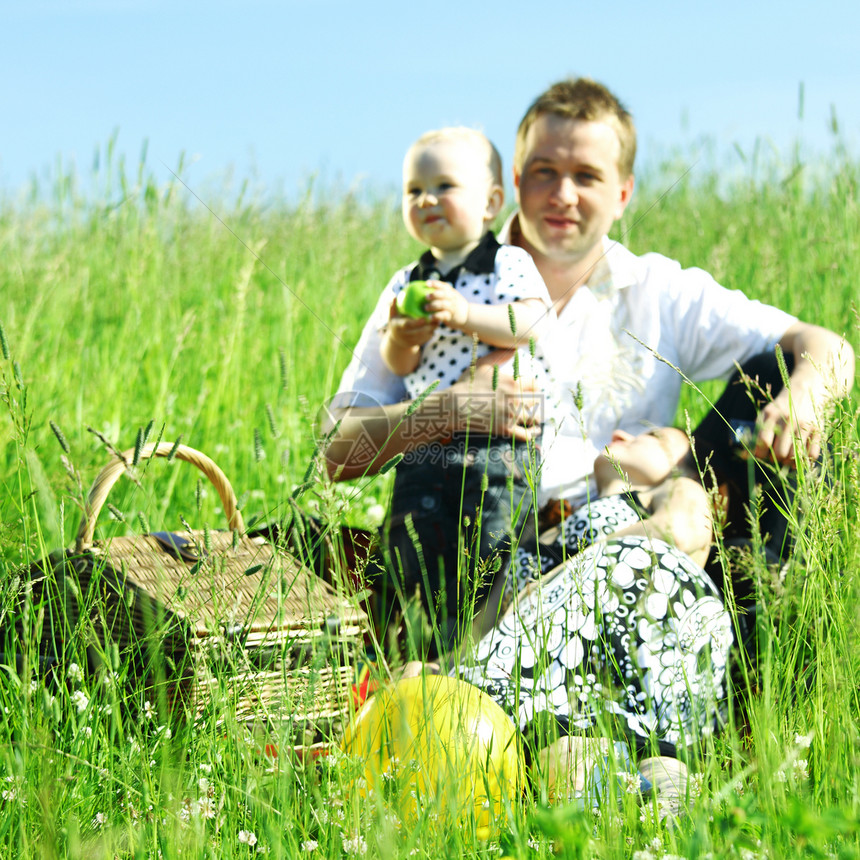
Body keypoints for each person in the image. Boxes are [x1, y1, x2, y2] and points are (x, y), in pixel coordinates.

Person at [323, 77, 854, 565]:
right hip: (477, 550)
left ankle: (751, 647)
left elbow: (830, 348)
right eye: (545, 172)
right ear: (510, 182)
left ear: (623, 194)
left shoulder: (658, 289)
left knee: (776, 376)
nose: (563, 195)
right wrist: (451, 409)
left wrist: (802, 397)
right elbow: (335, 449)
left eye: (587, 176)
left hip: (631, 532)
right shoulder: (430, 286)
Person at [394, 426, 731, 812]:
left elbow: (679, 531)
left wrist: (559, 576)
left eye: (653, 436)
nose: (621, 433)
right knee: (552, 741)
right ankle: (623, 809)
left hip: (641, 621)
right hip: (559, 665)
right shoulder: (542, 532)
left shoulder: (677, 490)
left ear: (680, 467)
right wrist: (437, 670)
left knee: (645, 737)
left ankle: (668, 795)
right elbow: (484, 636)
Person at [372, 128, 556, 653]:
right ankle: (416, 655)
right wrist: (403, 337)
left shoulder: (507, 263)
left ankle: (479, 657)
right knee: (413, 547)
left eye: (444, 185)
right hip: (427, 442)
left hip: (500, 447)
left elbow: (531, 320)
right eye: (413, 190)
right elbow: (399, 362)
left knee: (490, 550)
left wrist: (468, 315)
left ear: (491, 202)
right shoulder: (408, 280)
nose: (426, 199)